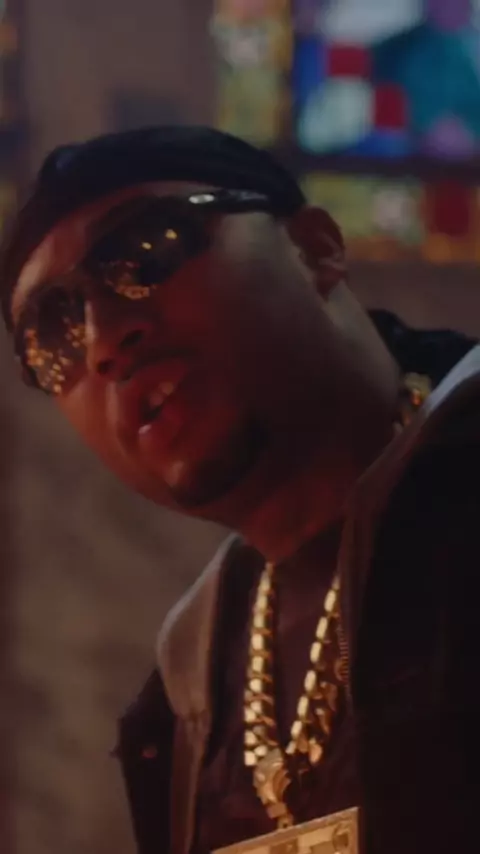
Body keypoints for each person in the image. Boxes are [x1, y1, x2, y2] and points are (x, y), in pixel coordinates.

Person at [0, 126, 477, 854]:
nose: (104, 340)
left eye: (147, 249)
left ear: (315, 249)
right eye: (53, 332)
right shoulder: (188, 685)